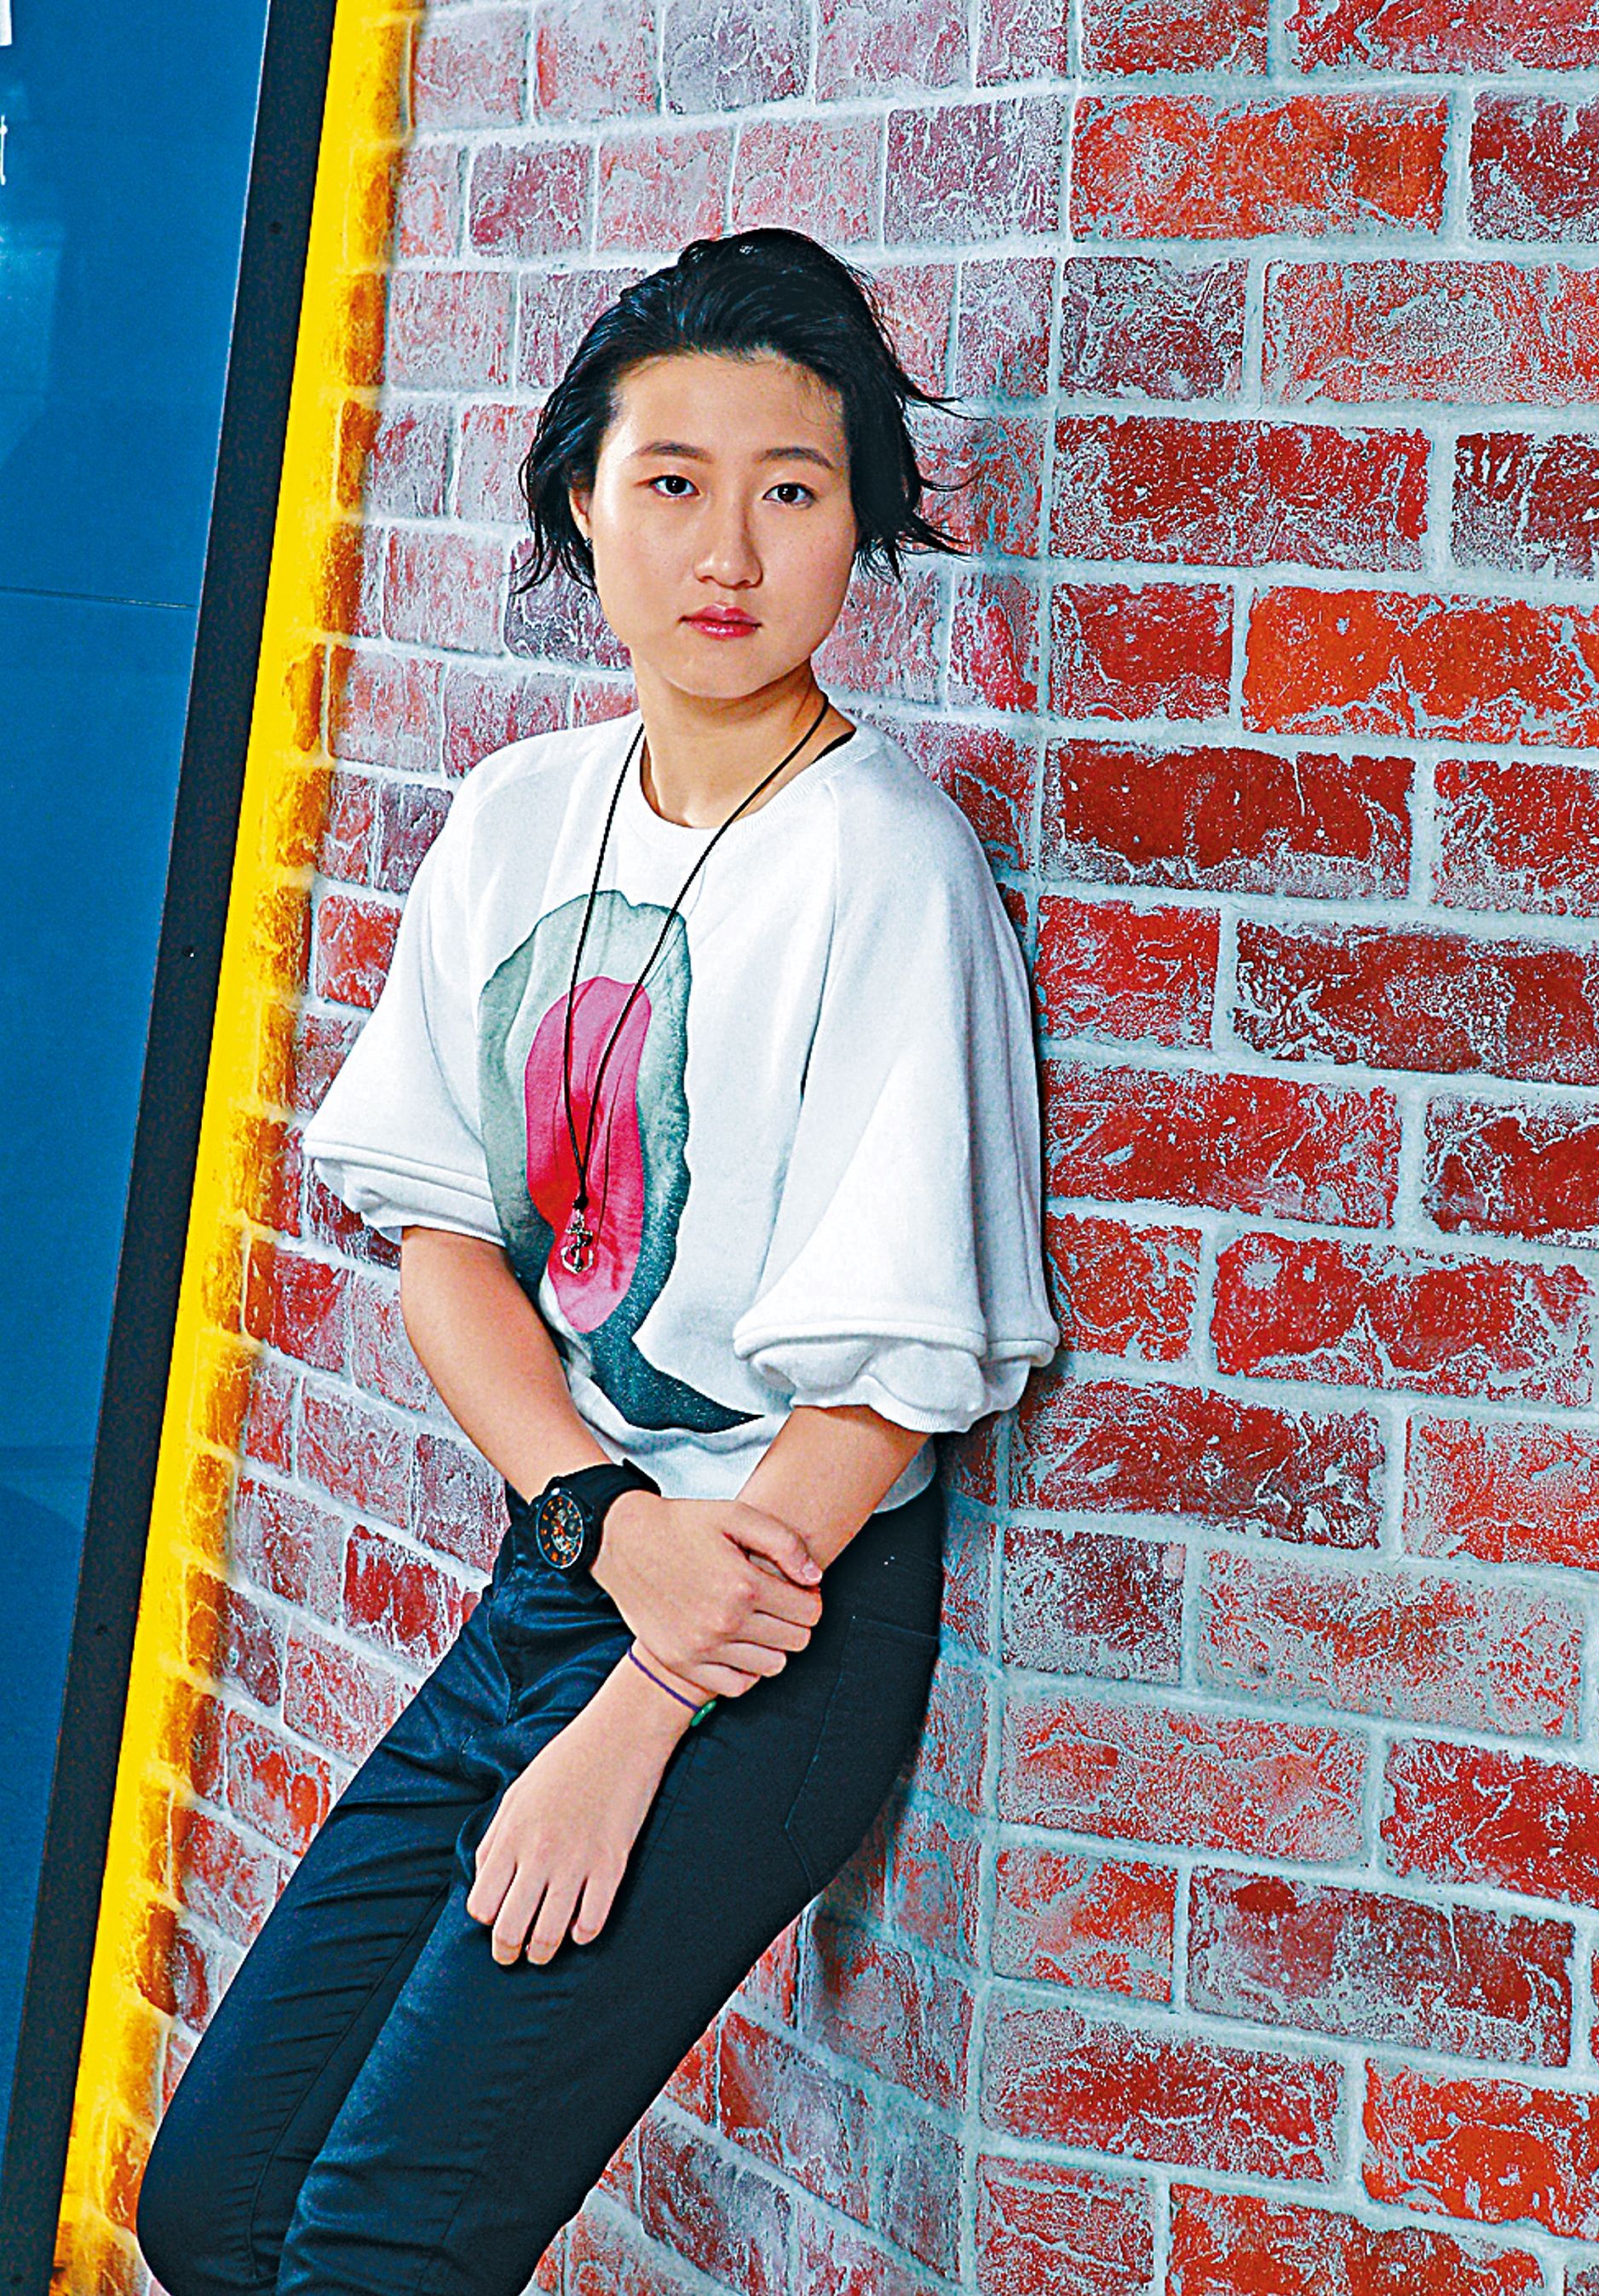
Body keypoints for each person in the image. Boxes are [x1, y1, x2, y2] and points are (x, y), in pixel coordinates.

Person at [136, 226, 1057, 2296]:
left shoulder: (888, 869)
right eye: (673, 481)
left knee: (374, 2248)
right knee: (215, 2207)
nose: (727, 549)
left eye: (792, 489)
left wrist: (635, 1712)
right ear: (582, 497)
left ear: (860, 525)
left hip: (772, 1627)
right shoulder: (518, 818)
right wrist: (594, 1523)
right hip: (582, 1560)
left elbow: (889, 1381)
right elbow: (440, 1239)